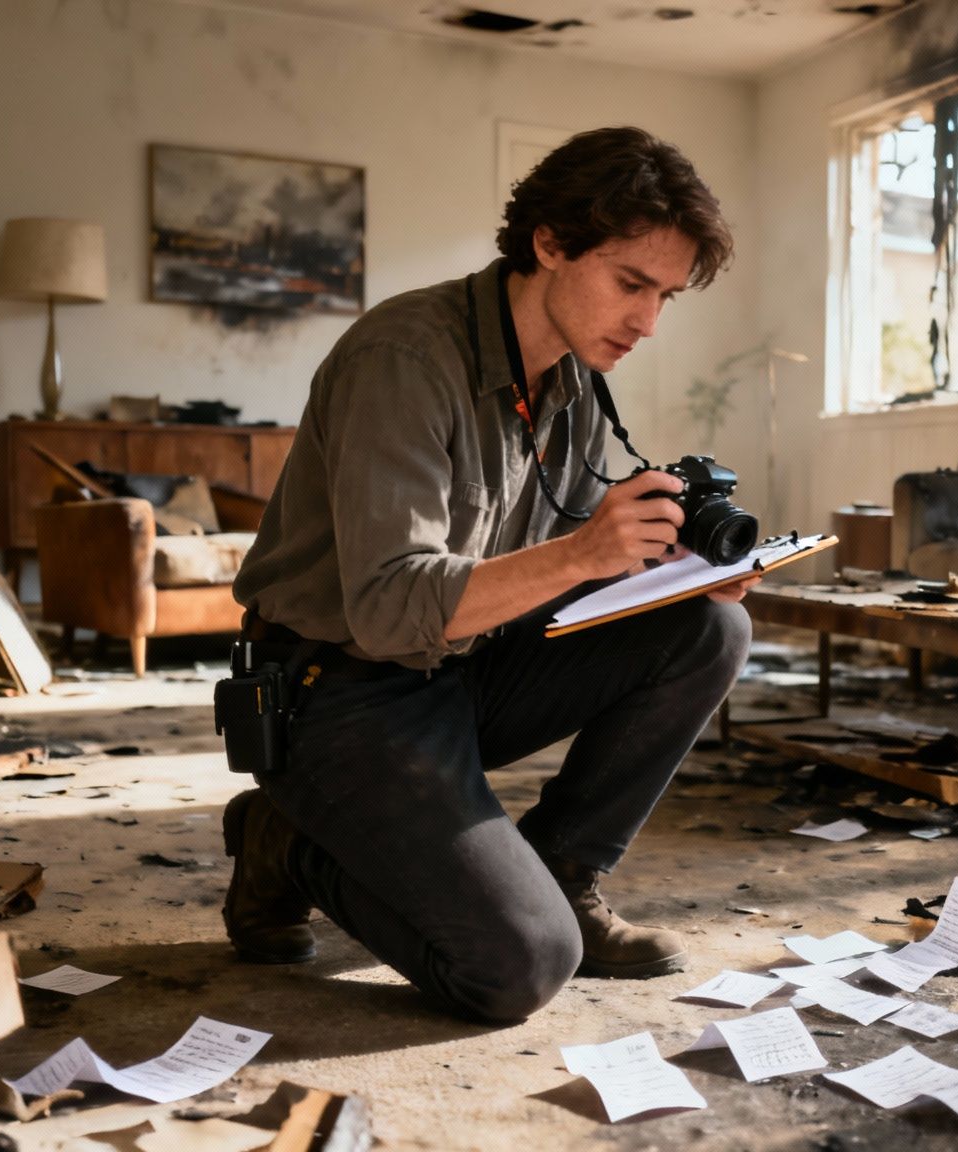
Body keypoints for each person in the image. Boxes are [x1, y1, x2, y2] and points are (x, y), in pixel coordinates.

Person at [220, 127, 753, 1023]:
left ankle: (565, 871)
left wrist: (670, 568)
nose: (648, 323)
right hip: (336, 692)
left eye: (665, 296)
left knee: (708, 628)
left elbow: (558, 563)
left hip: (462, 670)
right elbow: (391, 612)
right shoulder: (404, 357)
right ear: (549, 243)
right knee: (518, 967)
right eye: (631, 284)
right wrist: (589, 552)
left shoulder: (575, 384)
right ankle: (285, 842)